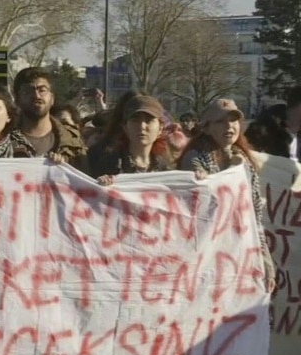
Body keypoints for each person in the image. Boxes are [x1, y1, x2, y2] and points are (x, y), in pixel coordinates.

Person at [178, 98, 275, 294]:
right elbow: (210, 207)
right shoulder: (194, 158)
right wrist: (232, 170)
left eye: (234, 120)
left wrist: (264, 256)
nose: (229, 126)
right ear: (205, 128)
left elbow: (253, 214)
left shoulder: (244, 158)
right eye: (220, 121)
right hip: (208, 255)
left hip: (241, 249)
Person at [12, 67, 87, 169]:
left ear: (52, 98)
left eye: (42, 90)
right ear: (17, 99)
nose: (36, 96)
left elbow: (85, 180)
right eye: (28, 91)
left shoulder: (72, 141)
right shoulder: (3, 139)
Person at [86, 94, 173, 182]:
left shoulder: (167, 170)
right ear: (125, 127)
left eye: (149, 120)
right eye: (135, 120)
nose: (142, 126)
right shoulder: (103, 163)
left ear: (160, 128)